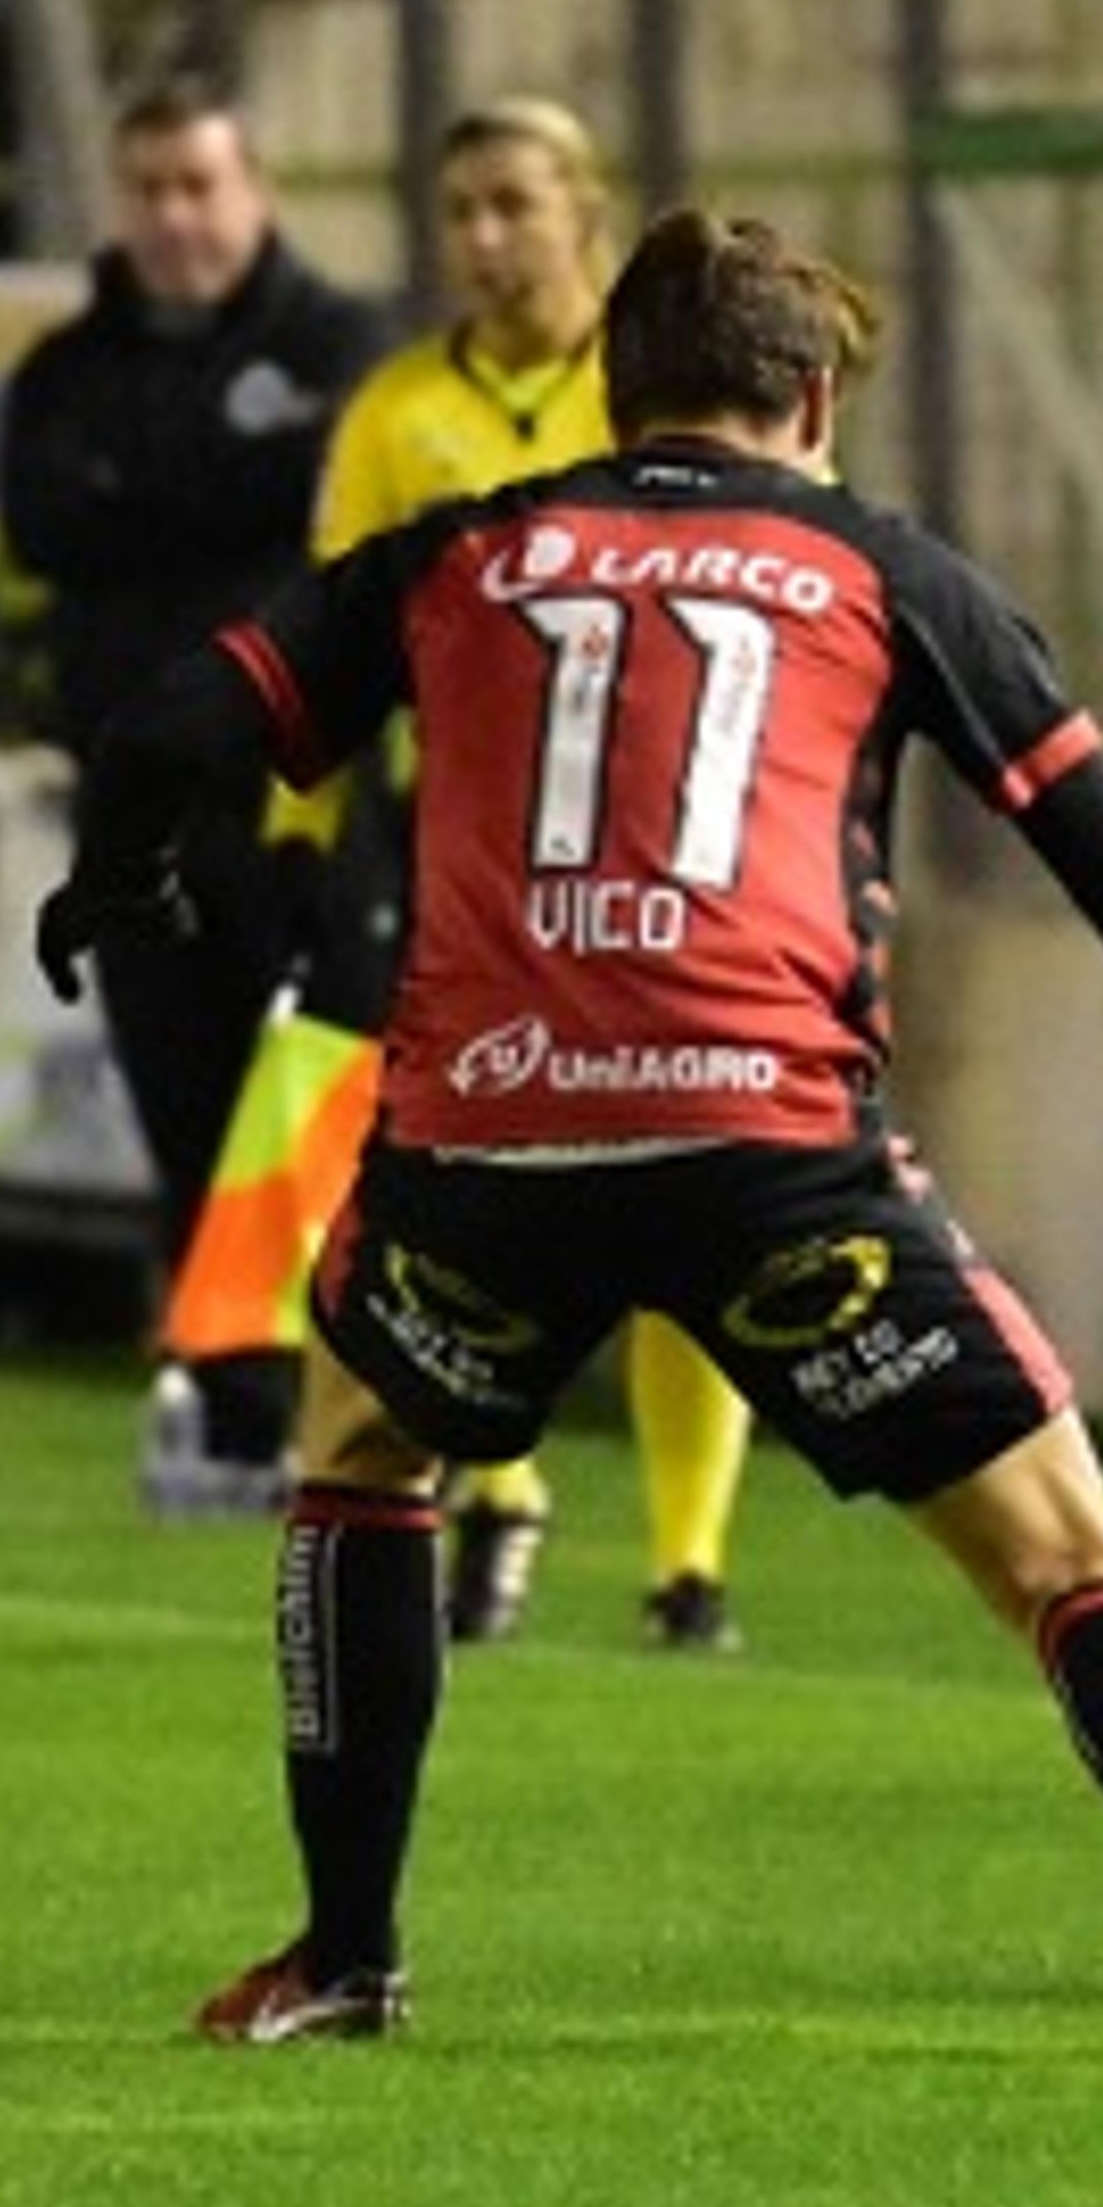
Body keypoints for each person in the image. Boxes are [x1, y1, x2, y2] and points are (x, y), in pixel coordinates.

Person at [32, 207, 1103, 2052]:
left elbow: (160, 734)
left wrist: (126, 878)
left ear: (613, 396)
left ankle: (346, 1955)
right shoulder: (882, 568)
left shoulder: (458, 552)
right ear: (817, 393)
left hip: (488, 1147)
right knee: (1070, 1561)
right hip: (768, 1150)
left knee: (364, 1466)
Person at [233, 93, 766, 1649]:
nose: (481, 238)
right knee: (479, 1185)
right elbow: (334, 633)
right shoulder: (399, 410)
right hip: (471, 856)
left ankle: (690, 1564)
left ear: (584, 210)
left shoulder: (667, 390)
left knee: (693, 1188)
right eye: (459, 209)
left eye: (512, 205)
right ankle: (507, 1491)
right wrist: (300, 834)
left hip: (679, 848)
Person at [0, 78, 394, 1510]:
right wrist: (227, 492)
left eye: (198, 185)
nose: (173, 217)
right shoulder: (64, 369)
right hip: (135, 803)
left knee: (323, 1103)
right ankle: (230, 1415)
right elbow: (44, 524)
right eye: (149, 188)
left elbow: (308, 520)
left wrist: (148, 504)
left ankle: (349, 1404)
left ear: (258, 188)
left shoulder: (340, 346)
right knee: (185, 1103)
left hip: (304, 798)